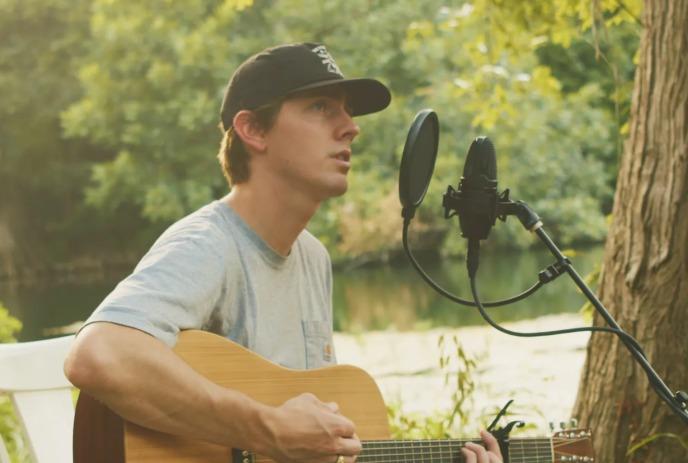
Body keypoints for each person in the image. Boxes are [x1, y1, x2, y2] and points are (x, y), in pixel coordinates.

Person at [64, 42, 502, 463]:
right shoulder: (209, 244)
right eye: (321, 108)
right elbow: (99, 353)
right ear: (253, 129)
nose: (351, 126)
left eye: (346, 111)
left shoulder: (312, 257)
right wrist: (267, 429)